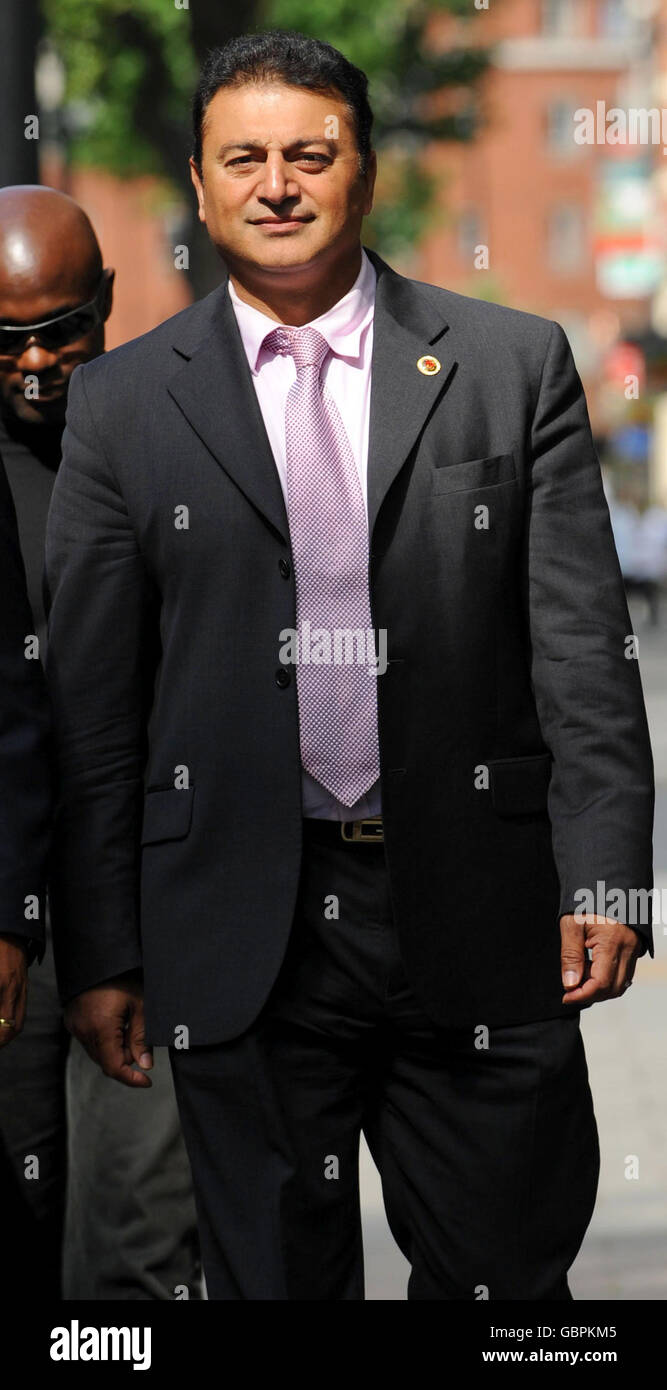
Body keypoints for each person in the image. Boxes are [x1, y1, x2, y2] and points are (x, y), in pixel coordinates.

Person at [44, 32, 654, 1301]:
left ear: (363, 173)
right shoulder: (122, 408)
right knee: (271, 1286)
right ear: (202, 190)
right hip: (236, 925)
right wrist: (102, 950)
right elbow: (95, 710)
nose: (278, 184)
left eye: (309, 155)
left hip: (481, 915)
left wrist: (607, 873)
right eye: (245, 159)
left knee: (509, 1289)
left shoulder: (508, 366)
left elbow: (580, 647)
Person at [0, 185, 201, 1300]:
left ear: (109, 302)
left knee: (136, 1246)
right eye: (6, 338)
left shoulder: (163, 442)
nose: (36, 361)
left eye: (62, 328)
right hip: (13, 923)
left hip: (146, 913)